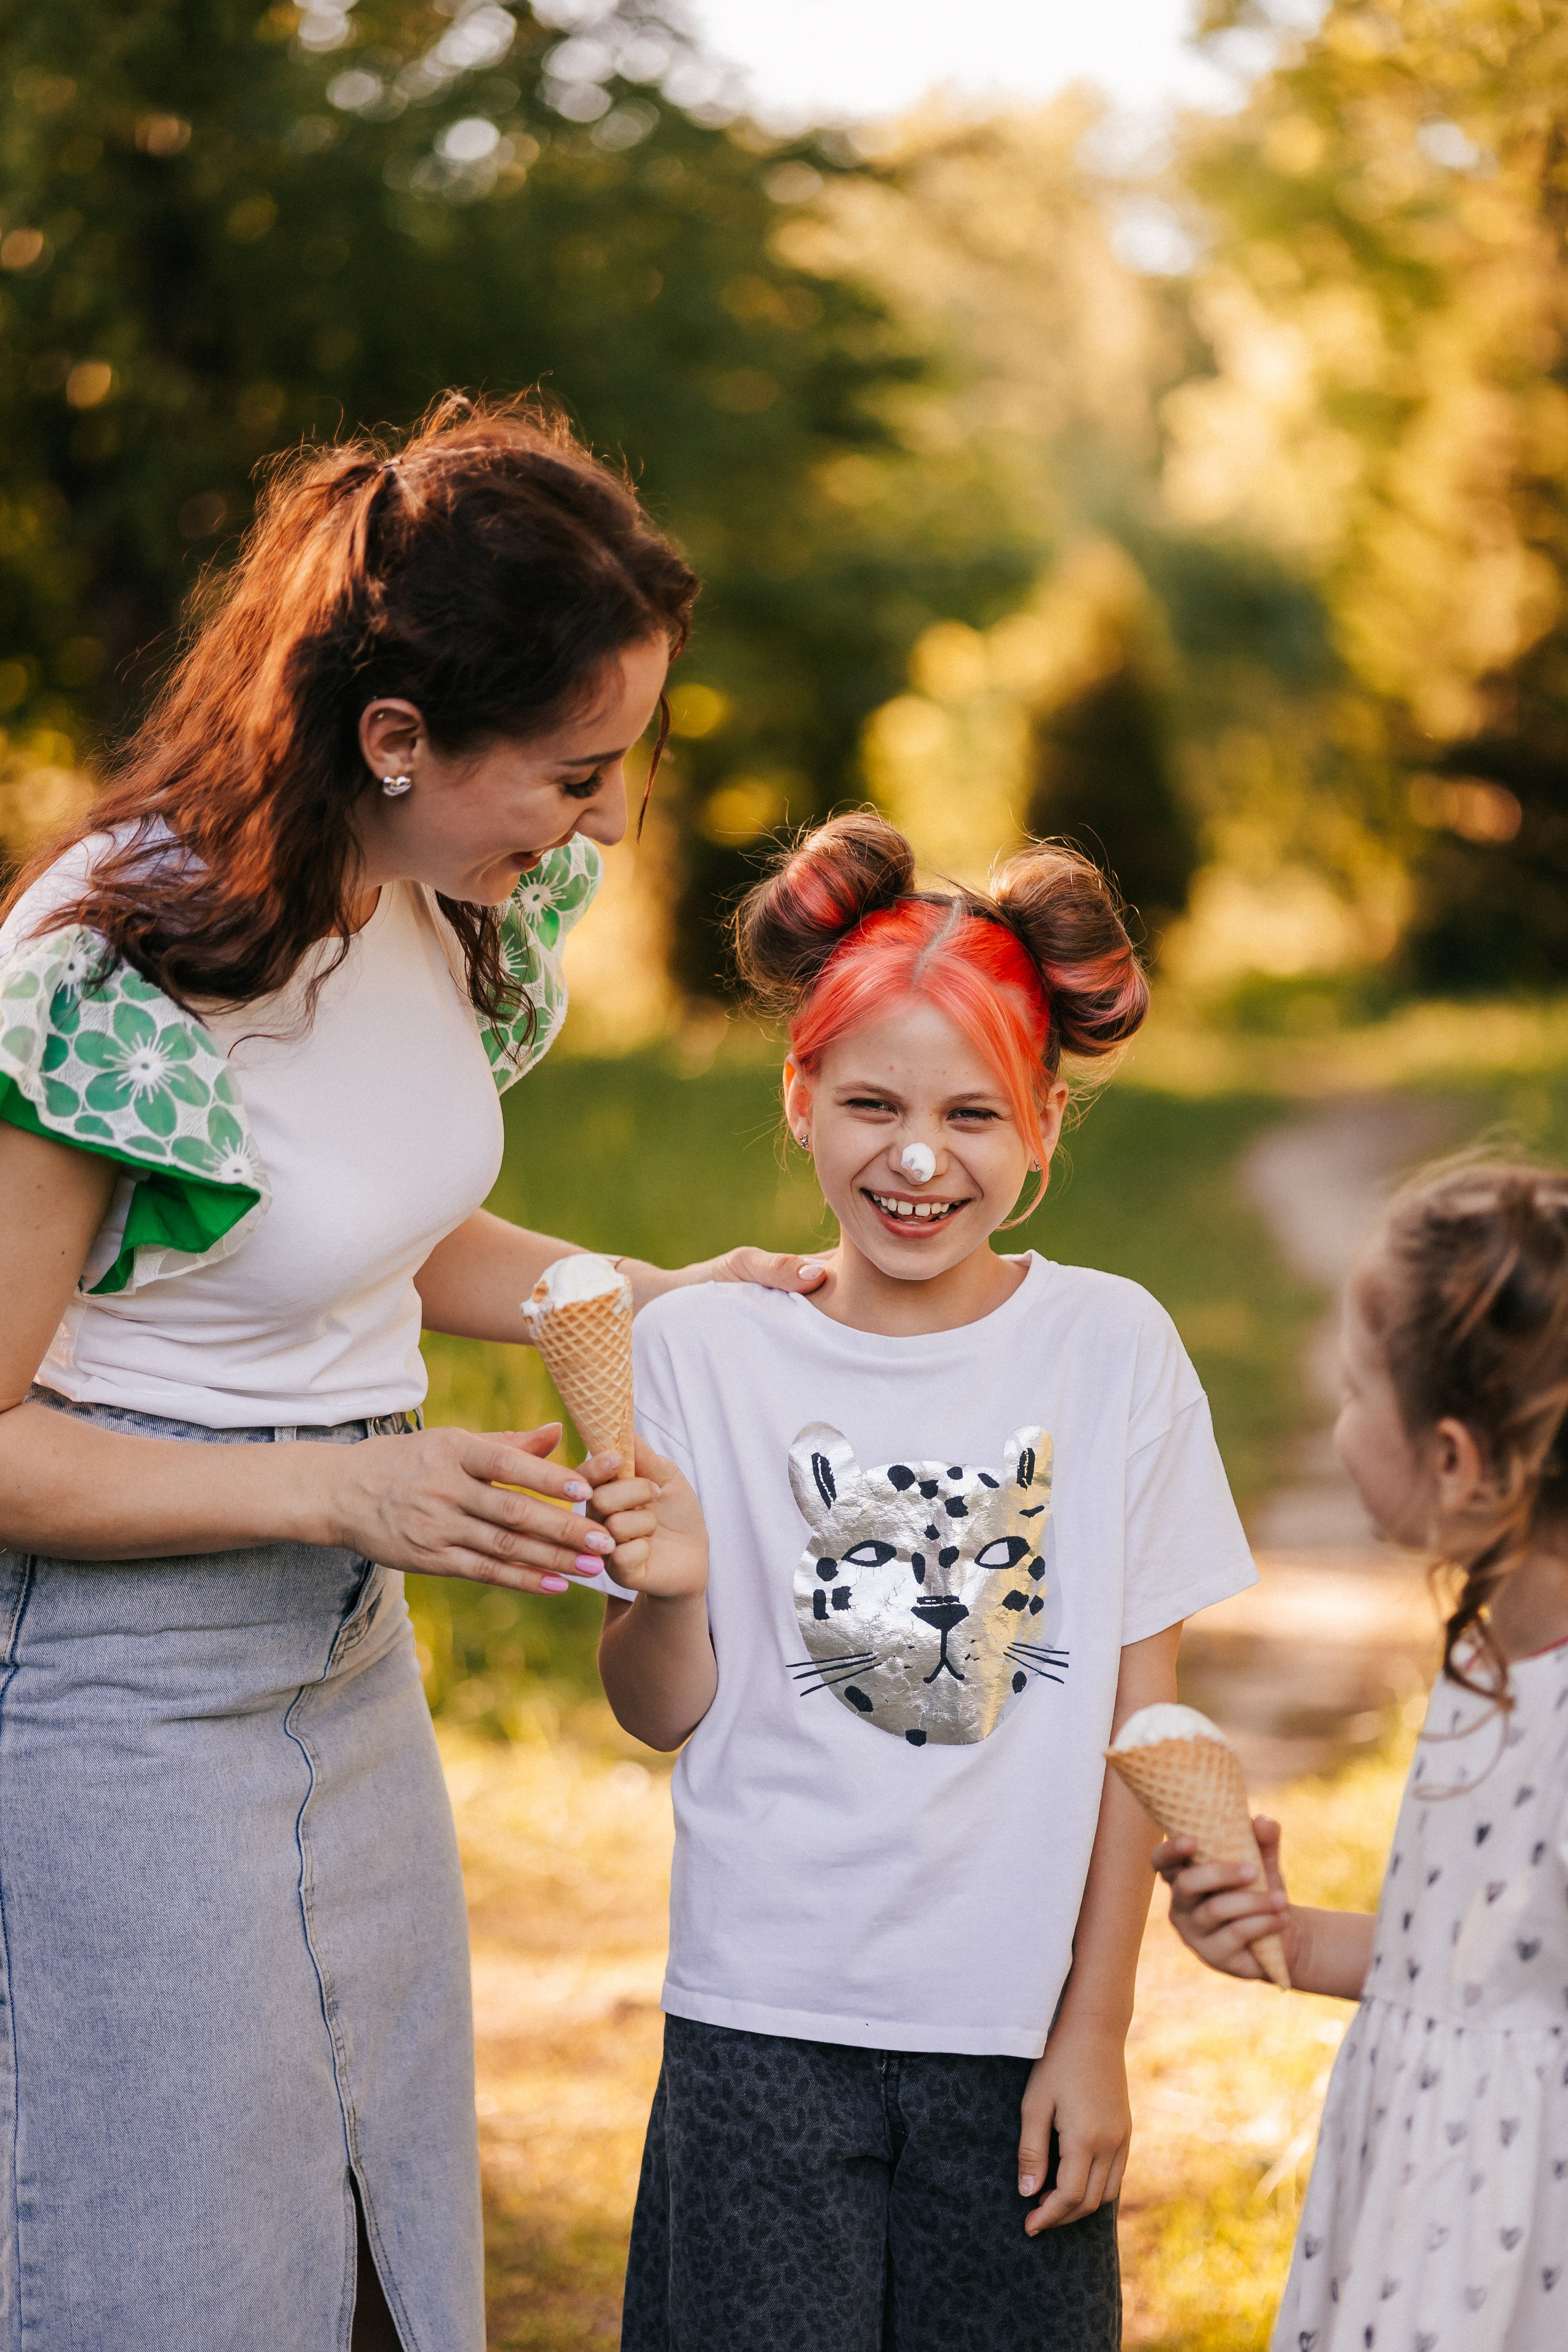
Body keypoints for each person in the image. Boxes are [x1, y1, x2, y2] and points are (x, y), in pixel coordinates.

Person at [0, 394, 824, 2352]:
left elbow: (375, 1229)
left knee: (384, 2253)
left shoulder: (436, 903)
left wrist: (663, 1293)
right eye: (576, 772)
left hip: (347, 1667)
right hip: (114, 1705)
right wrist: (342, 1481)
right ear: (397, 737)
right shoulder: (115, 962)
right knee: (171, 2276)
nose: (607, 823)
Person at [580, 812, 1261, 2351]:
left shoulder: (1110, 1347)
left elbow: (1139, 1734)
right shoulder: (692, 1352)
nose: (914, 1156)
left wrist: (1096, 2029)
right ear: (797, 1095)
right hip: (758, 2022)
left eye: (972, 1115)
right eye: (870, 1103)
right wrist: (670, 1590)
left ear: (1043, 1127)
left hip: (1013, 2032)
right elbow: (653, 1711)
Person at [1155, 1163, 1568, 2352]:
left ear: (1453, 1460)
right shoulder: (1486, 1653)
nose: (1336, 1425)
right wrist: (1290, 1941)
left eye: (1349, 1392)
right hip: (1427, 2195)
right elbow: (1479, 1970)